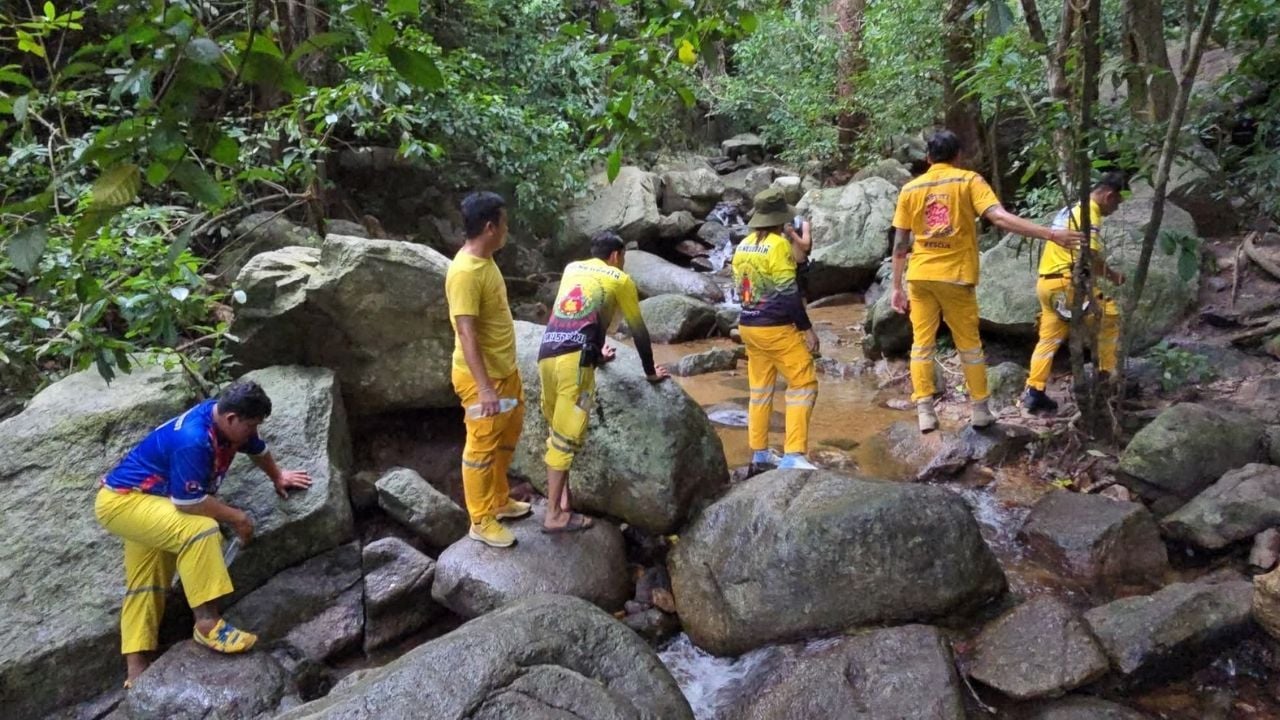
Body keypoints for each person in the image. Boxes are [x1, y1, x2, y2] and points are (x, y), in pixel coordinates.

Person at [94, 380, 312, 686]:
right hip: (124, 502)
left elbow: (257, 448)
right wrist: (238, 518)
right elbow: (188, 502)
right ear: (232, 418)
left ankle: (136, 671)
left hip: (150, 500)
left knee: (147, 580)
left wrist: (278, 475)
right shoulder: (194, 438)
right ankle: (207, 623)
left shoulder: (226, 420)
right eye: (251, 424)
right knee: (200, 528)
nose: (254, 431)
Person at [890, 129, 1083, 433]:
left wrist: (896, 287)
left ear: (928, 158)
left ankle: (925, 410)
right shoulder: (969, 181)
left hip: (920, 275)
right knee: (968, 345)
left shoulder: (910, 189)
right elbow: (1001, 218)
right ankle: (980, 410)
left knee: (921, 345)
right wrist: (1051, 234)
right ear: (958, 156)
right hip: (955, 276)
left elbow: (901, 243)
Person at [537, 231, 670, 532]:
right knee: (567, 435)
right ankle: (553, 516)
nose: (622, 264)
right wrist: (649, 371)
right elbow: (638, 331)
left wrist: (597, 351)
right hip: (576, 363)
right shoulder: (619, 279)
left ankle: (562, 502)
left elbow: (577, 315)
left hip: (548, 352)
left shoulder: (572, 268)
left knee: (556, 430)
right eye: (622, 258)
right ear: (615, 256)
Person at [446, 191, 532, 548]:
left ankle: (499, 500)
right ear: (489, 227)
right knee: (481, 448)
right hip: (482, 379)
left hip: (504, 370)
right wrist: (484, 388)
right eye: (504, 223)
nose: (507, 229)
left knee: (506, 436)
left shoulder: (486, 259)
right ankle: (480, 519)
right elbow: (465, 332)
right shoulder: (465, 272)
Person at [1023, 172, 1128, 413]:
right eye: (1117, 203)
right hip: (1067, 282)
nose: (1116, 209)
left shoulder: (1070, 210)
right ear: (1109, 196)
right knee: (1109, 315)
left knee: (1049, 338)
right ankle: (1107, 379)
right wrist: (1112, 275)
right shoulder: (1089, 211)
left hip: (1047, 285)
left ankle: (1034, 391)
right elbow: (1088, 254)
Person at [734, 186, 819, 471]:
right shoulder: (778, 245)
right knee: (804, 381)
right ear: (780, 219)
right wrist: (806, 329)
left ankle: (759, 453)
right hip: (775, 328)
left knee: (760, 390)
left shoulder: (743, 245)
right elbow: (787, 292)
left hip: (748, 325)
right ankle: (794, 454)